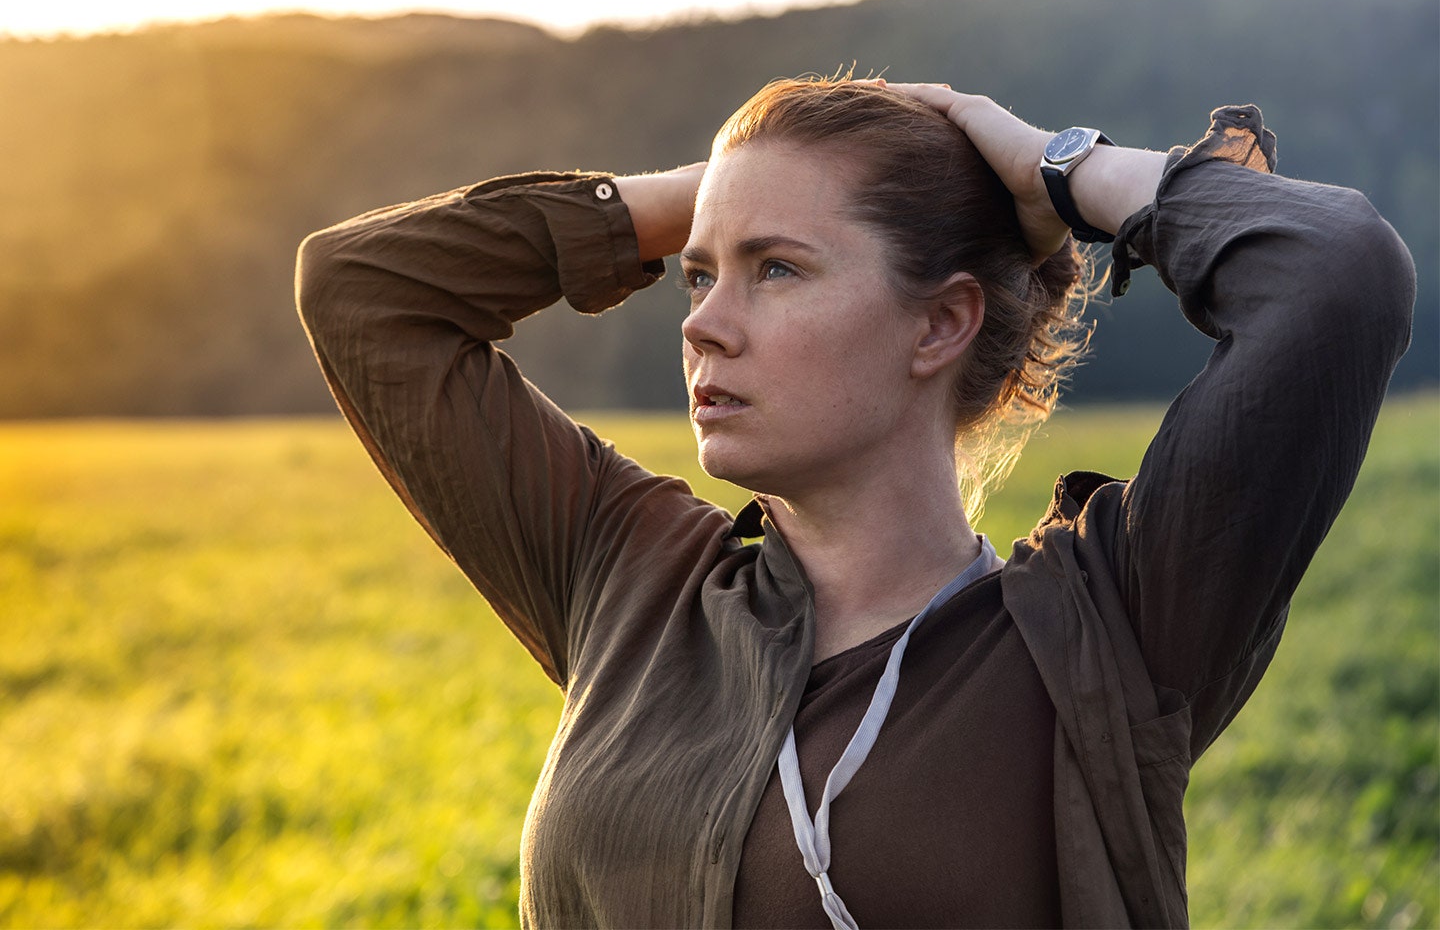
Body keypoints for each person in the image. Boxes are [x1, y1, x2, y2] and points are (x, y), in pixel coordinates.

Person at [295, 79, 1414, 928]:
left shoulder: (1112, 632)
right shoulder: (623, 576)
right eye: (700, 274)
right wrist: (734, 190)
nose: (702, 324)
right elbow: (363, 290)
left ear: (941, 323)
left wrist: (1055, 169)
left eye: (776, 270)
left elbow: (1336, 274)